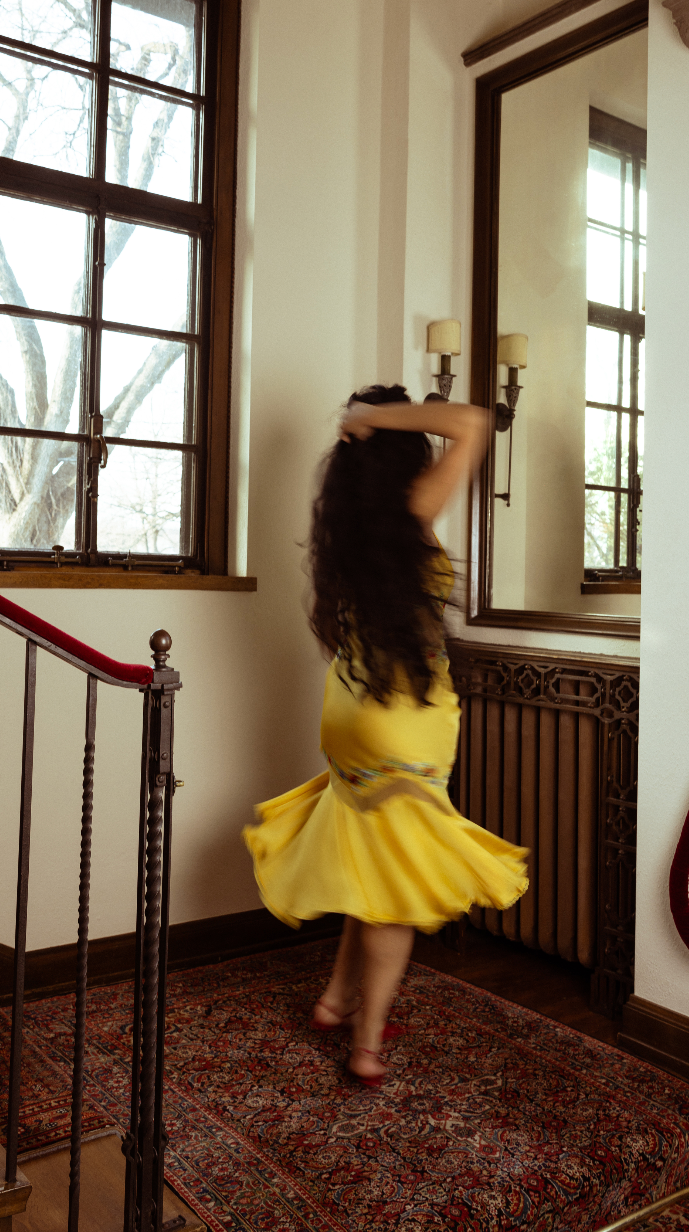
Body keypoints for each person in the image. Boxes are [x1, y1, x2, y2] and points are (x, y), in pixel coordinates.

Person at [242, 384, 528, 1088]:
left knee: (373, 859)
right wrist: (373, 418)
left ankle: (337, 1001)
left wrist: (359, 429)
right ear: (407, 451)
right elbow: (473, 421)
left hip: (348, 713)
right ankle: (367, 1045)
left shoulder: (351, 529)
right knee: (397, 888)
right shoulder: (412, 512)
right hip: (404, 721)